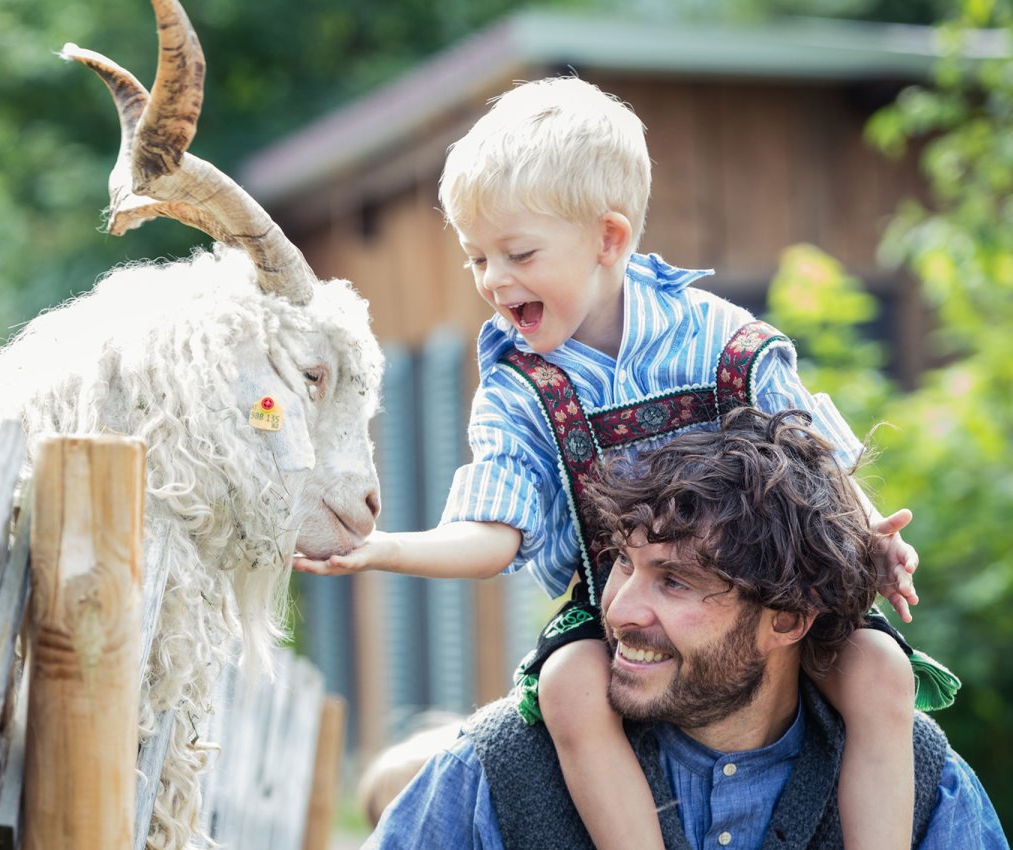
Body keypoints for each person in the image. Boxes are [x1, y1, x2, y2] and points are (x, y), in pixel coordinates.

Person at [295, 77, 957, 850]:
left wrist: (871, 533)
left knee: (881, 672)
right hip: (623, 614)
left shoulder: (721, 336)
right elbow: (492, 531)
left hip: (755, 600)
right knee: (569, 687)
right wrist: (382, 549)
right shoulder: (521, 386)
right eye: (477, 257)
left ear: (609, 240)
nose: (493, 281)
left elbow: (812, 451)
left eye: (518, 253)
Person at [364, 408, 1007, 849]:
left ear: (787, 617)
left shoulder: (928, 787)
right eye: (622, 564)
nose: (617, 612)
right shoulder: (497, 772)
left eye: (674, 582)